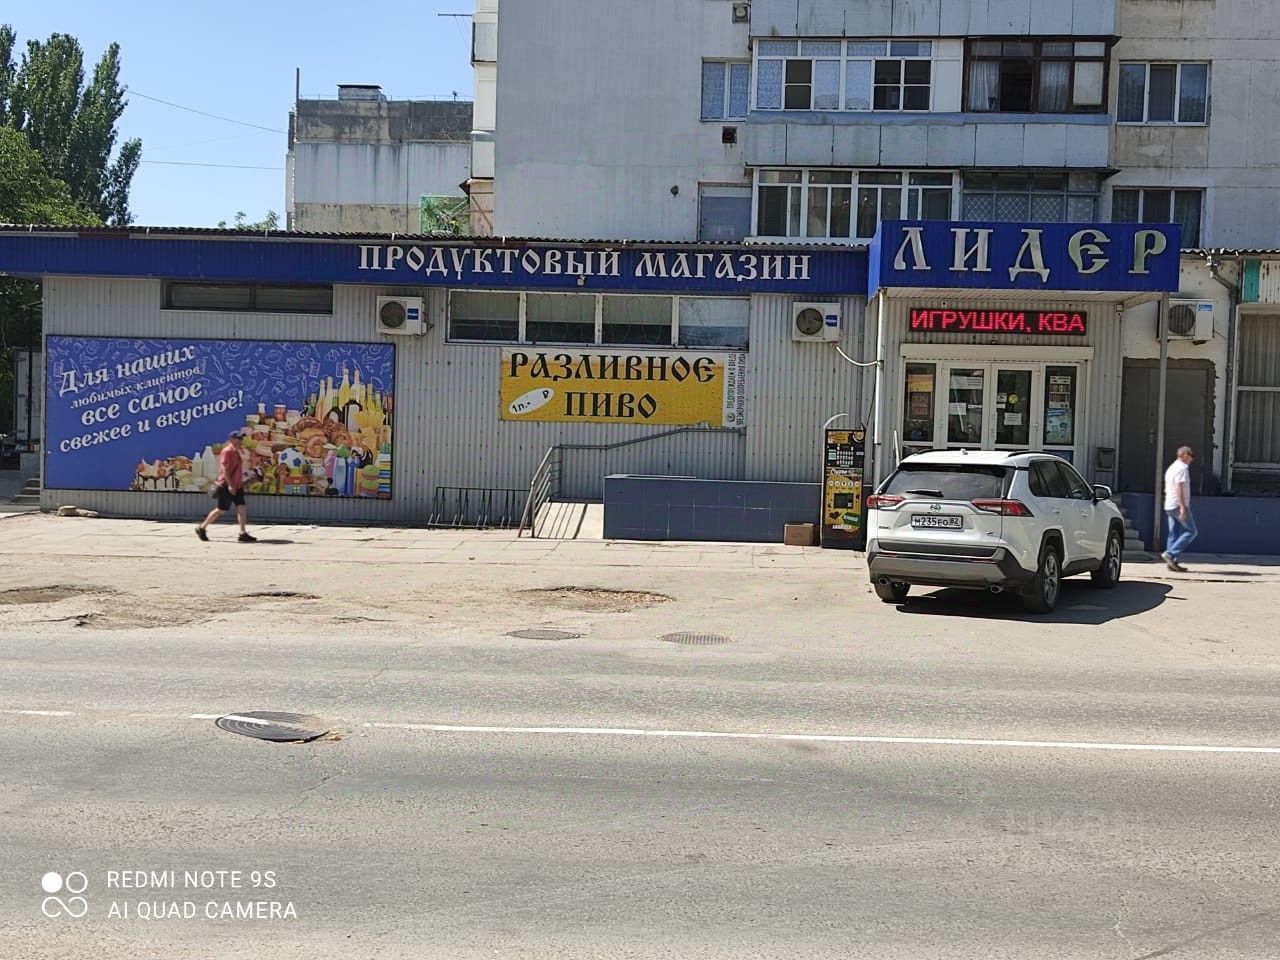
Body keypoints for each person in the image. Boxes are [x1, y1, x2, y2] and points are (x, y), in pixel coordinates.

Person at [196, 431, 257, 543]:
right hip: (227, 485)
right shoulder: (227, 451)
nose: (240, 440)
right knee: (221, 510)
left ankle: (242, 533)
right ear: (232, 439)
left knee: (242, 508)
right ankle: (202, 528)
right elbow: (225, 469)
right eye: (238, 438)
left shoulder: (236, 451)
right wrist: (230, 485)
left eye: (241, 438)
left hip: (237, 485)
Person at [1161, 445, 1196, 571]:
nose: (1192, 459)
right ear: (1185, 455)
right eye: (1191, 455)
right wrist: (1182, 506)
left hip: (1169, 504)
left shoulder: (1172, 468)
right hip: (1177, 504)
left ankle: (1172, 562)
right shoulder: (1182, 468)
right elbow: (1178, 487)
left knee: (1174, 533)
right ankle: (1170, 554)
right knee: (1191, 531)